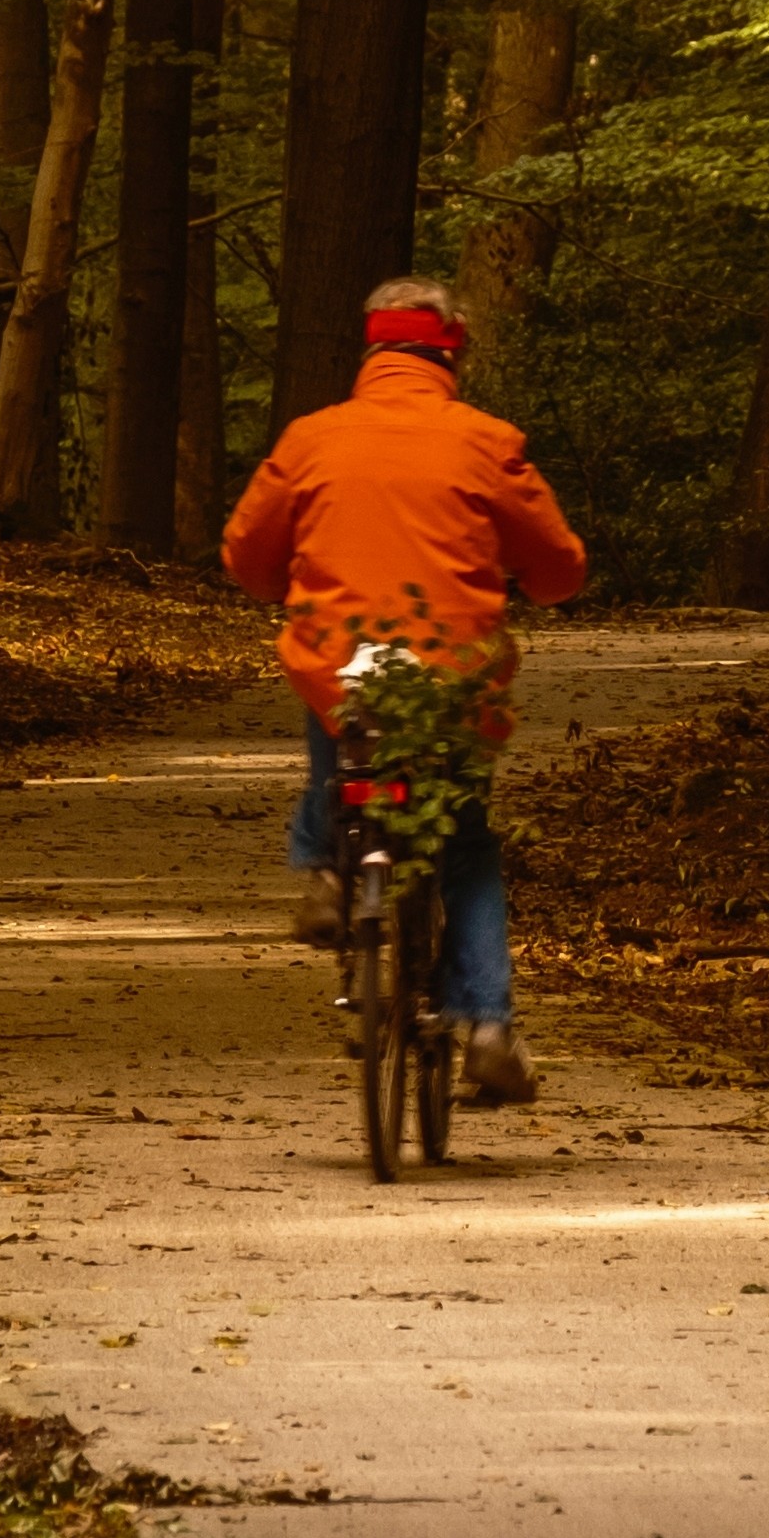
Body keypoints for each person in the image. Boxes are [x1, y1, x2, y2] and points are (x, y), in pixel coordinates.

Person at [217, 276, 591, 1101]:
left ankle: (326, 870)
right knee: (464, 843)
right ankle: (489, 1025)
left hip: (340, 659)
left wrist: (291, 578)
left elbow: (245, 553)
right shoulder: (485, 442)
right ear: (451, 353)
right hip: (452, 673)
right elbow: (561, 566)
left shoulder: (314, 438)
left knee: (345, 719)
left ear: (374, 349)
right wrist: (533, 579)